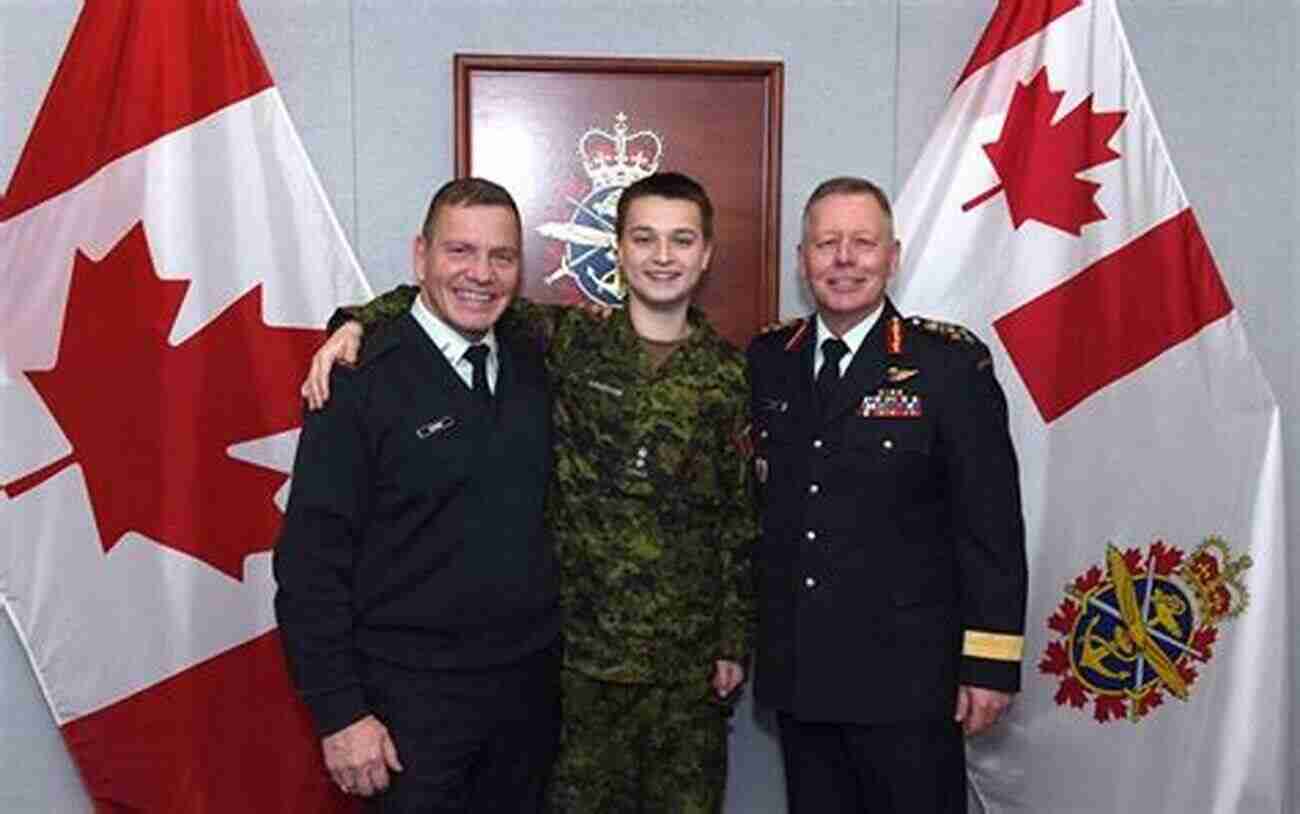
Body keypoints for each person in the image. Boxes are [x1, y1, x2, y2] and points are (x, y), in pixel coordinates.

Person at [302, 171, 756, 813]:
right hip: (573, 665)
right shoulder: (569, 340)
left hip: (674, 670)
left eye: (681, 240)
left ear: (705, 254)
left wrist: (731, 639)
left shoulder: (733, 374)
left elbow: (740, 517)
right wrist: (356, 320)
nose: (662, 255)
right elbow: (445, 293)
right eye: (645, 238)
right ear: (618, 251)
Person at [274, 177, 562, 812]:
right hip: (407, 706)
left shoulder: (535, 358)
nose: (481, 274)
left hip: (527, 698)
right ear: (420, 256)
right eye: (459, 251)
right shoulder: (360, 378)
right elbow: (309, 563)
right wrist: (340, 712)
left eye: (502, 257)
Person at [746, 177, 1028, 813]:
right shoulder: (769, 360)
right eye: (826, 244)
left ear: (893, 256)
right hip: (803, 675)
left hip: (909, 683)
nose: (844, 259)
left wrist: (988, 665)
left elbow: (991, 526)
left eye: (862, 243)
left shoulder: (948, 366)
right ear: (802, 260)